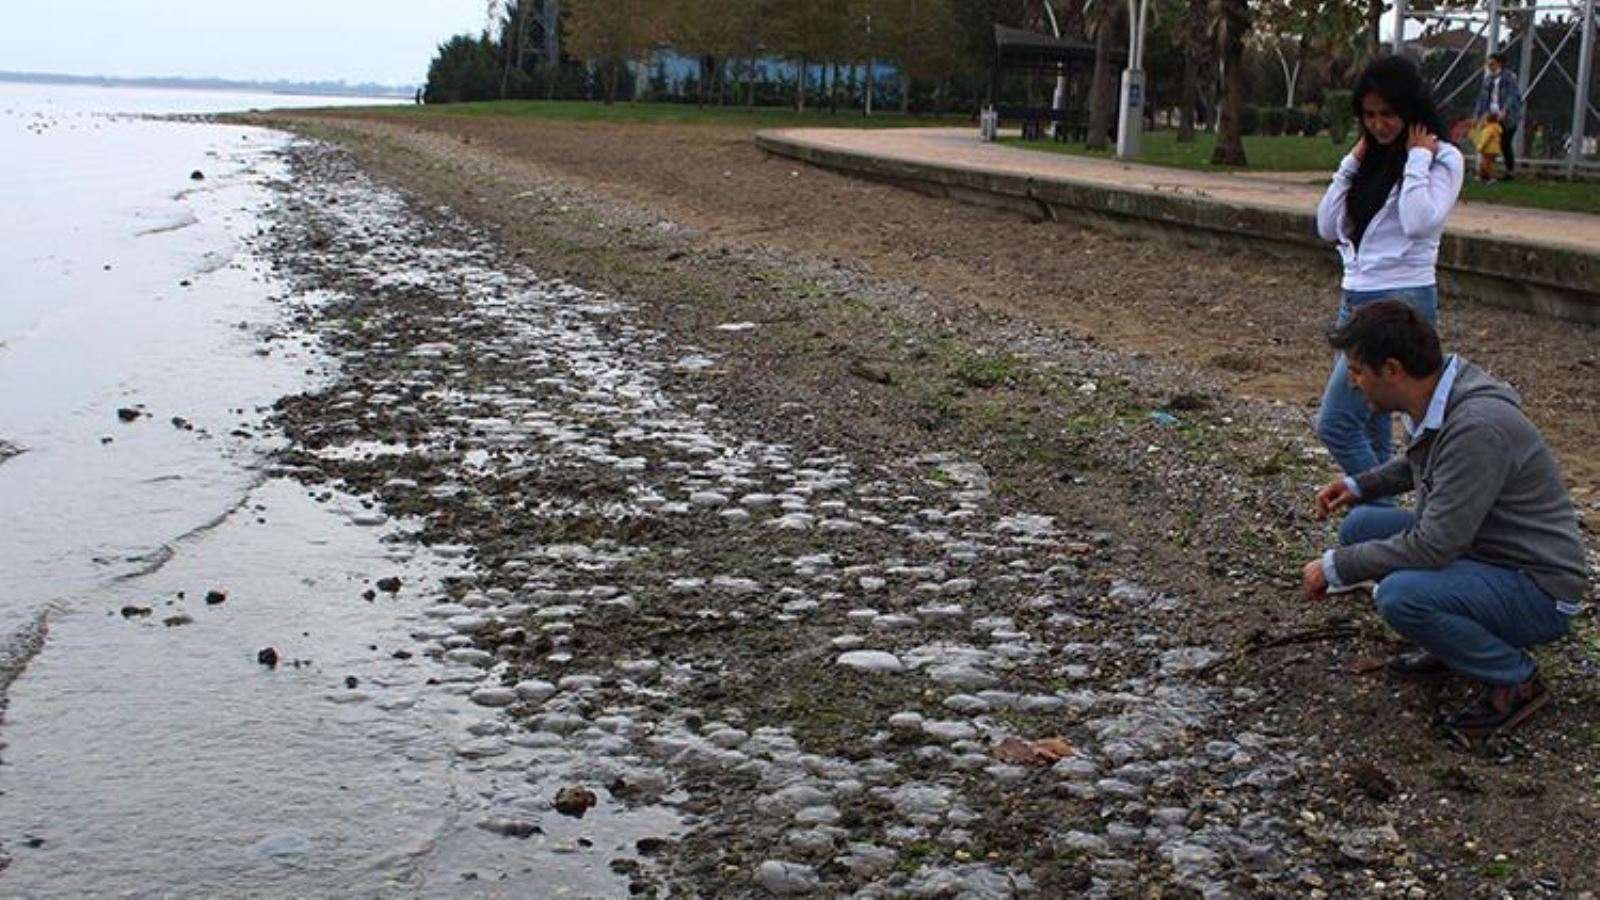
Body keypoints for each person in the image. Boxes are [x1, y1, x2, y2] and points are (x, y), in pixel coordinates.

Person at [1303, 301, 1588, 737]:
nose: (1354, 383)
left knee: (1401, 595)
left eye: (1358, 371)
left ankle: (1515, 678)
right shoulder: (1438, 393)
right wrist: (1360, 485)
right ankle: (1454, 644)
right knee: (1360, 527)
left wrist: (1336, 567)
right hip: (1487, 550)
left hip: (1538, 586)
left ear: (1392, 369)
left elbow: (1435, 545)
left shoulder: (1477, 427)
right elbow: (1422, 461)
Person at [1315, 56, 1465, 483]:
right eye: (1370, 115)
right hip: (1357, 298)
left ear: (1410, 109)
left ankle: (1389, 514)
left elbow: (1420, 221)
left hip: (1402, 298)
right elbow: (1327, 226)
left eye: (1388, 114)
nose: (1379, 125)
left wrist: (1417, 159)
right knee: (1372, 422)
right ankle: (1383, 534)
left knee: (1336, 425)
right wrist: (1350, 163)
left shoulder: (1442, 159)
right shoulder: (1368, 161)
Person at [1474, 52, 1524, 179]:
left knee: (1505, 143)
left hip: (1508, 116)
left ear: (1499, 63)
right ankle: (1486, 172)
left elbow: (1512, 95)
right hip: (1491, 115)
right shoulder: (1488, 79)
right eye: (1488, 64)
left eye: (1492, 64)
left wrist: (1505, 110)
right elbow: (1482, 99)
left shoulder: (1509, 77)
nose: (1489, 66)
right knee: (1489, 144)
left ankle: (1509, 171)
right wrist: (1477, 115)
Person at [1474, 112, 1504, 182]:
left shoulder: (1489, 129)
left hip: (1488, 150)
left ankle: (1490, 177)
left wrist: (1480, 147)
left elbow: (1485, 139)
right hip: (1495, 150)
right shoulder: (1497, 128)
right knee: (1488, 164)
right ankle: (1482, 176)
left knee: (1486, 164)